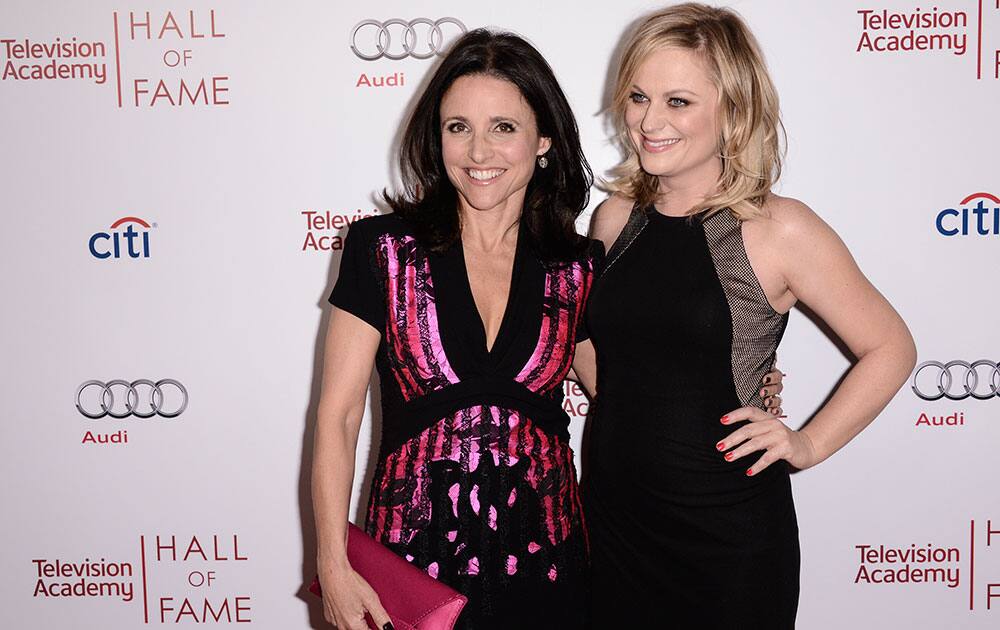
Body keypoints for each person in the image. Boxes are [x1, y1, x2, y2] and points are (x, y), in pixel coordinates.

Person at [575, 4, 917, 627]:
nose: (650, 121)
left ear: (733, 110)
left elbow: (891, 347)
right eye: (638, 96)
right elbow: (600, 354)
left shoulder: (778, 228)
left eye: (678, 101)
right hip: (615, 526)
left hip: (726, 540)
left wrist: (806, 443)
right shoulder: (613, 219)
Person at [311, 29, 602, 630]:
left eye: (504, 127)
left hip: (550, 568)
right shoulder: (383, 250)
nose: (478, 151)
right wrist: (334, 564)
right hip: (414, 571)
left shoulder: (577, 267)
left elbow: (629, 397)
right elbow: (337, 419)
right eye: (457, 127)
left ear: (543, 139)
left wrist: (741, 385)